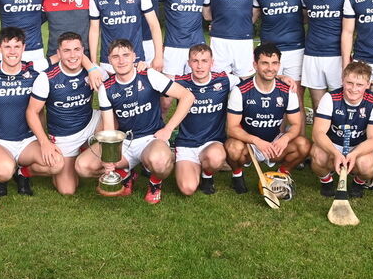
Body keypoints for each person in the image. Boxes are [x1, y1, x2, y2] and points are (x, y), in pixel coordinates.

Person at [75, 39, 193, 204]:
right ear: (109, 60)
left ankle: (155, 182)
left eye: (125, 55)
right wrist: (109, 157)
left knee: (159, 162)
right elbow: (109, 128)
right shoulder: (106, 88)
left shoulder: (149, 75)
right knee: (83, 166)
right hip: (125, 142)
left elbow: (187, 96)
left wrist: (168, 129)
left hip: (151, 140)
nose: (121, 60)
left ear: (134, 57)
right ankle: (125, 173)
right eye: (115, 56)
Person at [25, 31, 104, 196]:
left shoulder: (92, 72)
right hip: (64, 136)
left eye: (77, 49)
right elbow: (32, 112)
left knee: (115, 119)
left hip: (90, 123)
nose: (73, 55)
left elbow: (121, 85)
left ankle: (96, 158)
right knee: (67, 190)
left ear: (83, 51)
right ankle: (25, 170)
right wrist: (44, 142)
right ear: (58, 53)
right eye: (67, 51)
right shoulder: (47, 78)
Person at [226, 44, 311, 180]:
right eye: (265, 63)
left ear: (279, 65)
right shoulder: (240, 91)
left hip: (274, 144)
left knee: (303, 144)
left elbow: (296, 124)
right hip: (249, 145)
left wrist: (285, 139)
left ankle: (283, 172)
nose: (270, 68)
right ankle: (237, 173)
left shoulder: (287, 90)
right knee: (232, 148)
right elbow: (232, 128)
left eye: (274, 63)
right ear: (255, 65)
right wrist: (256, 141)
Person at [0, 27, 46, 196]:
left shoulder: (34, 70)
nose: (12, 51)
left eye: (17, 46)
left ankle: (23, 173)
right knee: (4, 171)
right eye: (7, 46)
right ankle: (1, 177)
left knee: (56, 164)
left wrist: (90, 68)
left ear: (24, 48)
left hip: (27, 141)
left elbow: (66, 56)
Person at [310, 60, 373, 198]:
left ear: (368, 85)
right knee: (317, 154)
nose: (354, 89)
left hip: (358, 146)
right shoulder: (330, 98)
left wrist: (354, 154)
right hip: (333, 144)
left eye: (360, 85)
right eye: (349, 83)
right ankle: (326, 181)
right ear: (342, 81)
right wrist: (335, 153)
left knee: (367, 165)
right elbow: (317, 134)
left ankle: (358, 182)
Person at [172, 43, 236, 195]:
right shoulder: (180, 82)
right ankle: (193, 166)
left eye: (204, 61)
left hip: (212, 143)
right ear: (189, 63)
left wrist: (280, 77)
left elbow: (253, 83)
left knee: (216, 158)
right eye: (195, 61)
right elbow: (153, 83)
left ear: (212, 63)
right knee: (187, 189)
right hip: (187, 144)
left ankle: (207, 175)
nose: (200, 66)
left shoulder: (225, 80)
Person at [300, 0, 352, 109]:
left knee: (341, 103)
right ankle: (320, 134)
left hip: (336, 56)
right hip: (312, 55)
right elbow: (304, 18)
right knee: (319, 105)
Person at [253, 0, 306, 100]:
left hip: (296, 50)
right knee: (271, 98)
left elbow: (309, 16)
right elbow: (251, 18)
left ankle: (297, 125)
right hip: (269, 52)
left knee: (296, 99)